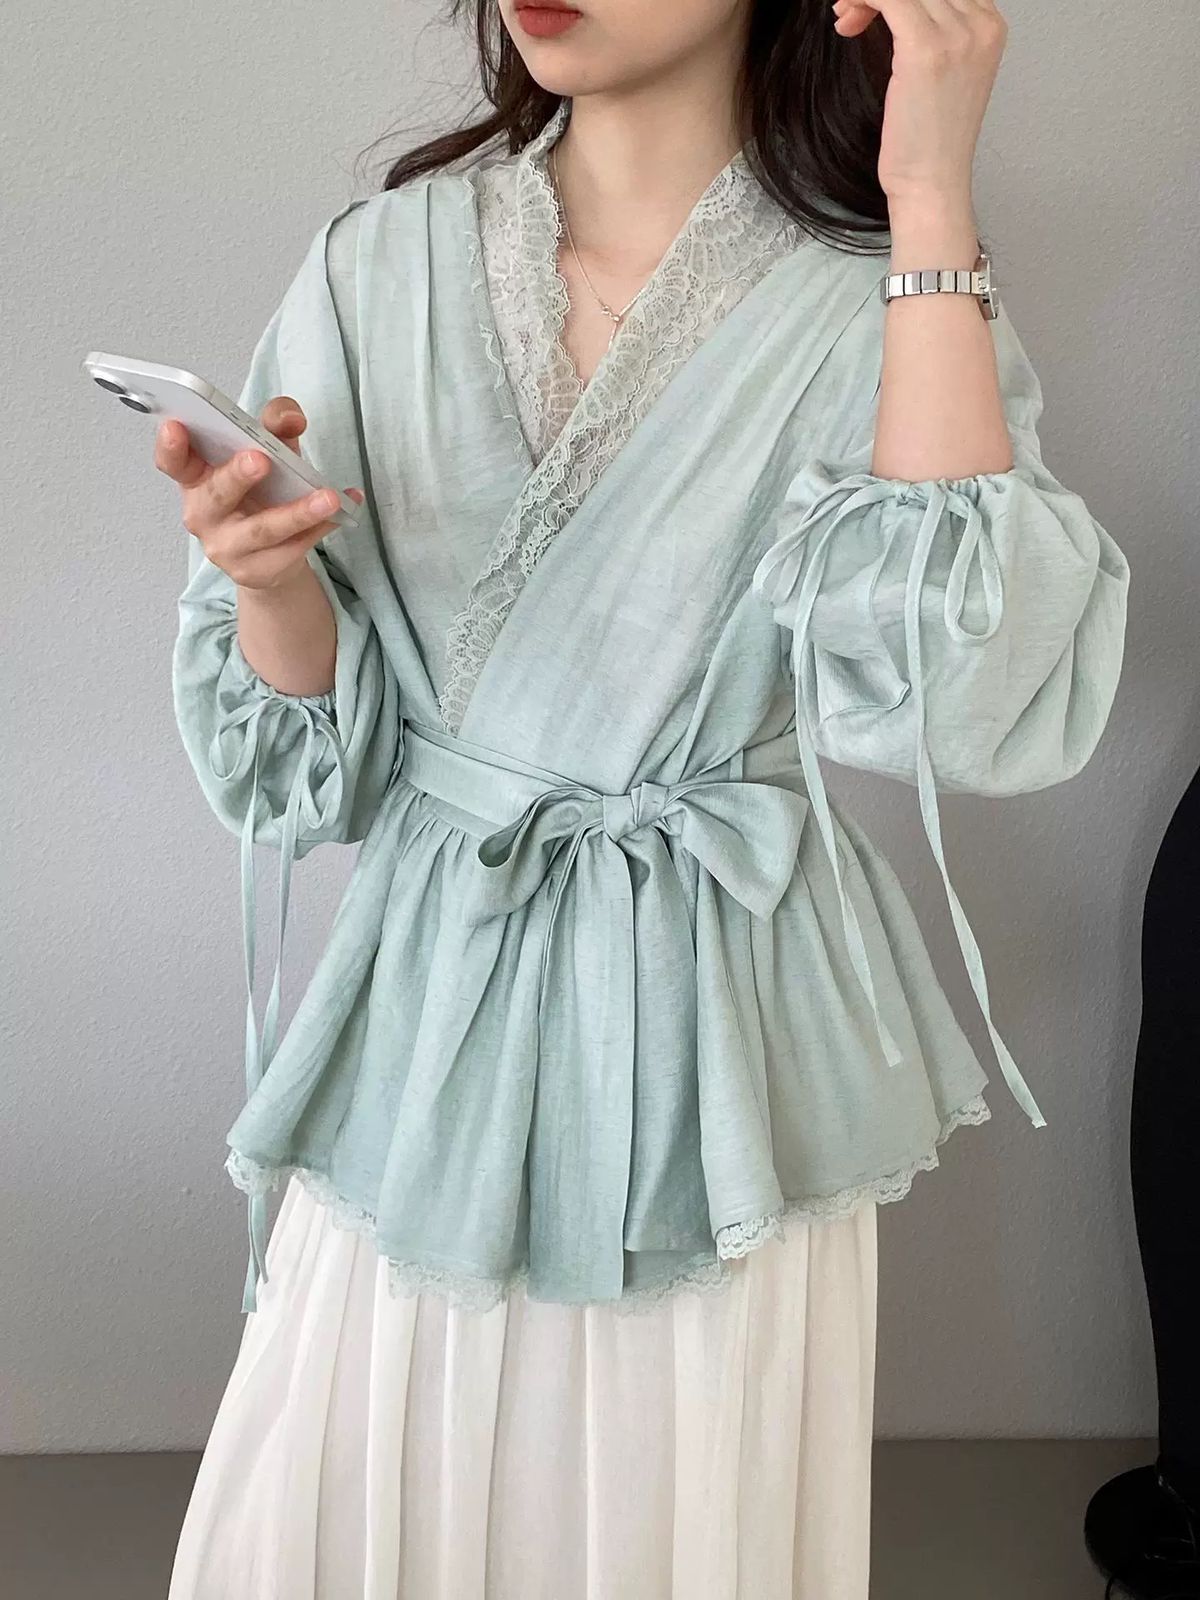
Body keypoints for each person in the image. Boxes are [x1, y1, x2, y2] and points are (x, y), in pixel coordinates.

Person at [163, 1, 1130, 1595]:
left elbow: (958, 699)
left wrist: (929, 206)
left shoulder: (881, 293)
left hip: (723, 1024)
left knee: (672, 1510)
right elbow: (307, 765)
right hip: (438, 997)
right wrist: (267, 584)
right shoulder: (375, 265)